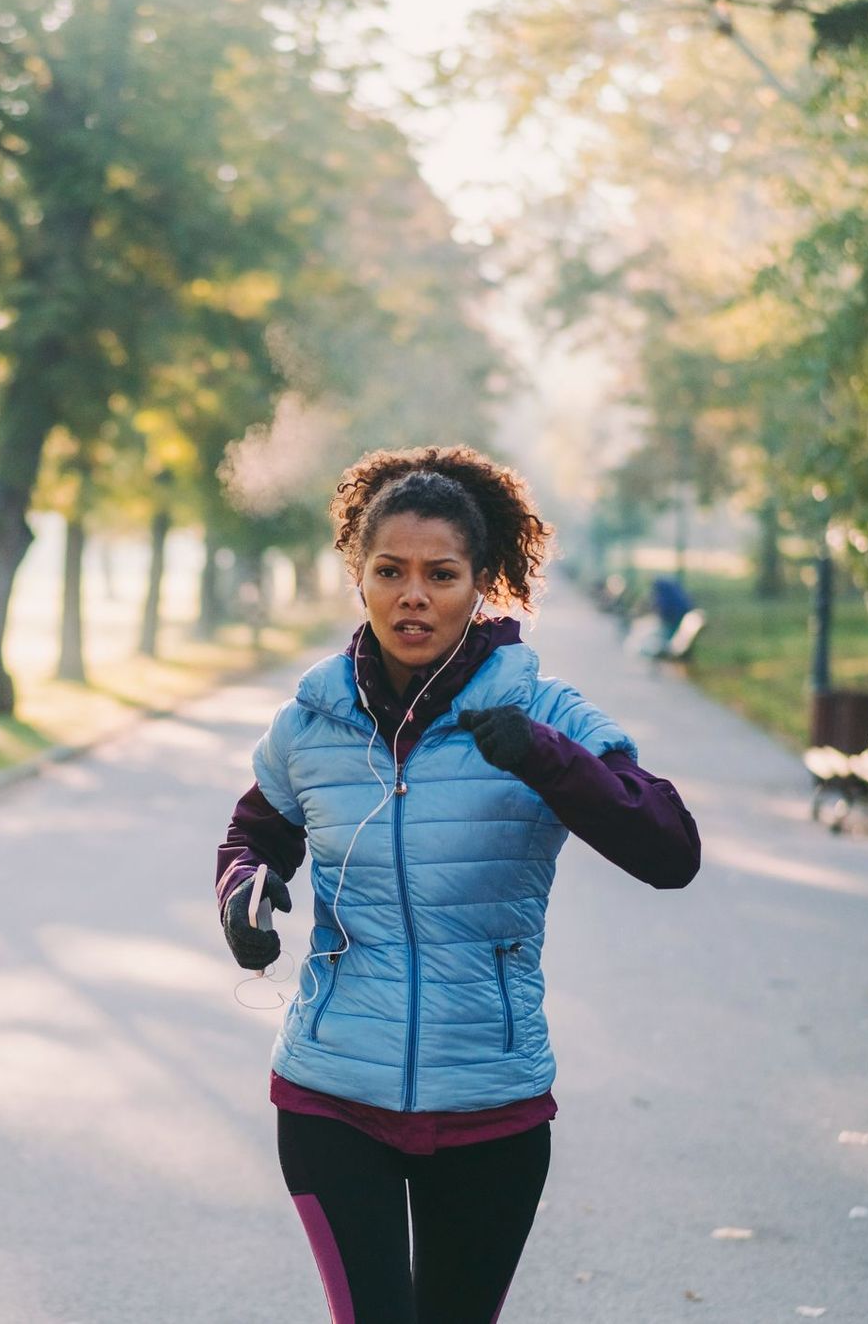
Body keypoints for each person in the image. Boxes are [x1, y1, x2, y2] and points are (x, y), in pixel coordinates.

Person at [215, 445, 700, 1324]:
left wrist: (544, 758)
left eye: (441, 574)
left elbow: (670, 848)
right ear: (356, 577)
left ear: (481, 583)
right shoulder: (311, 722)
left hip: (491, 1105)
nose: (413, 595)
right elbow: (255, 835)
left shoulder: (546, 712)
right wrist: (243, 894)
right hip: (332, 1095)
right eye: (389, 571)